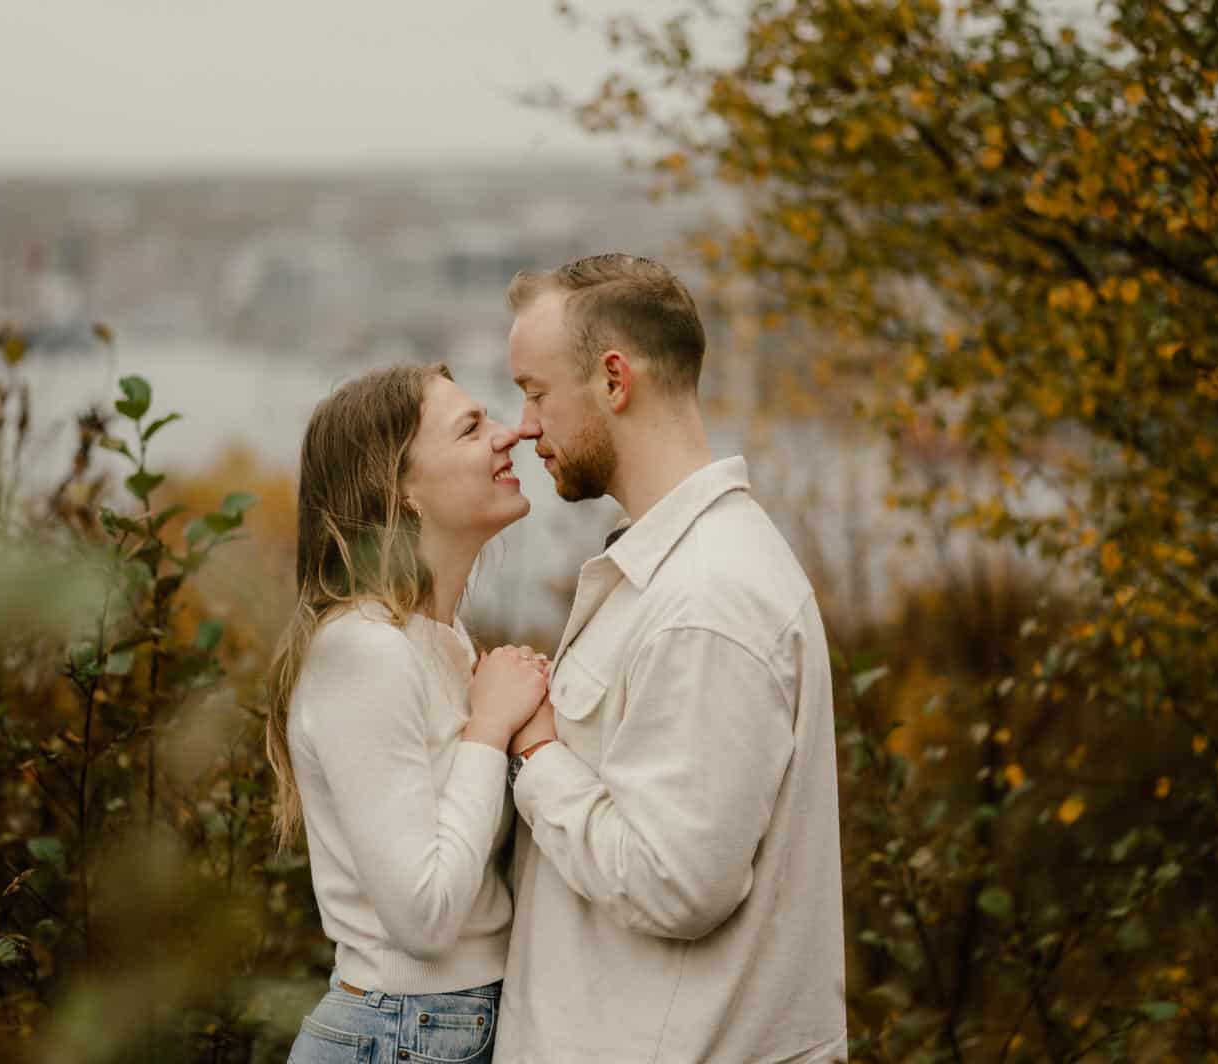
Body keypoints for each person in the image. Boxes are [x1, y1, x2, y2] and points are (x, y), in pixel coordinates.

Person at [497, 254, 848, 1062]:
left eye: (535, 392)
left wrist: (537, 750)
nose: (522, 425)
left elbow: (676, 882)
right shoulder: (673, 573)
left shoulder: (705, 599)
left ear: (614, 380)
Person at [264, 363, 548, 1064]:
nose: (510, 435)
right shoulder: (364, 652)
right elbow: (422, 917)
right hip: (402, 1035)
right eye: (472, 428)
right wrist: (489, 728)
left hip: (439, 1031)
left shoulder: (440, 644)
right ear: (402, 489)